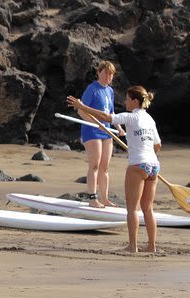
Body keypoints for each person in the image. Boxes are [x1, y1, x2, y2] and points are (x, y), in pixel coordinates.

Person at [68, 86, 162, 253]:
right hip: (153, 166)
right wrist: (142, 150)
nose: (125, 102)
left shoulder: (131, 117)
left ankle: (133, 247)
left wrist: (82, 107)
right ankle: (151, 246)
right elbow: (157, 145)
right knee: (148, 208)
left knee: (132, 209)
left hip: (138, 165)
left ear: (135, 101)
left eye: (127, 99)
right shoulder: (150, 119)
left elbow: (105, 117)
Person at [78, 61, 125, 208]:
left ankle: (105, 199)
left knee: (105, 167)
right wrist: (95, 123)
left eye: (111, 74)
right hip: (92, 130)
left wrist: (119, 127)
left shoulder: (109, 91)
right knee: (95, 164)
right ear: (99, 72)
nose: (108, 76)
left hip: (107, 131)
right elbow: (81, 110)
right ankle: (92, 198)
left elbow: (111, 113)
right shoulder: (92, 89)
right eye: (106, 73)